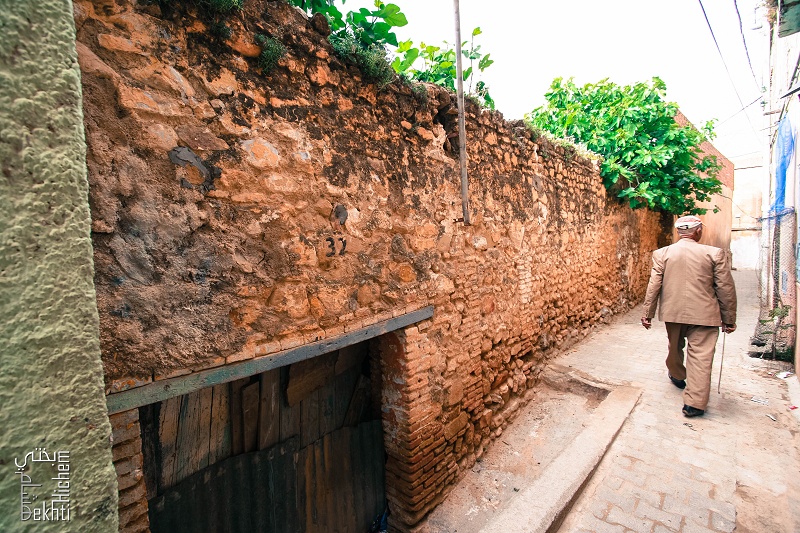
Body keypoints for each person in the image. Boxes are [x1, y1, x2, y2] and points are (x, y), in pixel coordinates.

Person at [640, 215, 737, 417]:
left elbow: (654, 284)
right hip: (705, 314)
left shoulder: (662, 254)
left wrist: (647, 313)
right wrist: (729, 319)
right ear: (698, 231)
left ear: (679, 232)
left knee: (674, 346)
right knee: (701, 357)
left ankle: (676, 374)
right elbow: (725, 288)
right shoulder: (714, 254)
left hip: (673, 312)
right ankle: (694, 404)